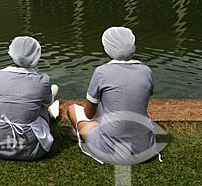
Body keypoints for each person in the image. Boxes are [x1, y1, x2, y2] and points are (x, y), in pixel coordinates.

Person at [66, 27, 158, 165]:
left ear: (107, 49)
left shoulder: (101, 72)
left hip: (112, 150)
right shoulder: (146, 71)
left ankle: (80, 133)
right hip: (145, 149)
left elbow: (89, 114)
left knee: (72, 110)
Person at [0, 36, 59, 161]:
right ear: (36, 57)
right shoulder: (42, 80)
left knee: (0, 110)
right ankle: (52, 114)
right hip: (34, 150)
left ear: (12, 53)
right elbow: (47, 103)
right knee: (42, 106)